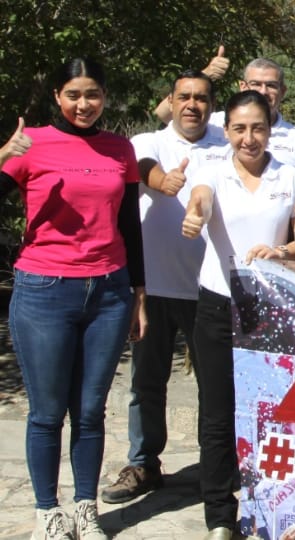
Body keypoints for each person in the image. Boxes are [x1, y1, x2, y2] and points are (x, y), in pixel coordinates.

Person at [0, 57, 146, 540]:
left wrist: (138, 292)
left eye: (93, 94)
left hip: (109, 292)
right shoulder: (31, 143)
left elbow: (129, 225)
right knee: (47, 413)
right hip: (45, 290)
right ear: (57, 97)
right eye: (74, 95)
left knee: (89, 411)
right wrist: (3, 154)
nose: (84, 104)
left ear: (104, 95)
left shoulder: (120, 149)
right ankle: (47, 511)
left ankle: (85, 507)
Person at [182, 90, 295, 540]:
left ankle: (271, 508)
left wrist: (283, 250)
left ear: (271, 129)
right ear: (226, 131)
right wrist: (195, 215)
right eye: (239, 128)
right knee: (218, 415)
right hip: (218, 305)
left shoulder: (291, 177)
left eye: (257, 128)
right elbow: (200, 200)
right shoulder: (211, 172)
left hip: (272, 309)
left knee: (273, 413)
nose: (249, 138)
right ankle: (220, 516)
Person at [100, 70, 231, 506]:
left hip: (209, 288)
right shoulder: (148, 140)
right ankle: (143, 464)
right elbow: (142, 168)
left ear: (212, 105)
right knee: (147, 382)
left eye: (201, 98)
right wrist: (162, 182)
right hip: (152, 286)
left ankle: (214, 469)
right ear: (170, 102)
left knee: (214, 386)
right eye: (184, 97)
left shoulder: (226, 144)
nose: (192, 104)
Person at [207, 58, 295, 167]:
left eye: (271, 85)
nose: (263, 91)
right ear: (243, 87)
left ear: (282, 91)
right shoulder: (213, 124)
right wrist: (205, 75)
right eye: (256, 84)